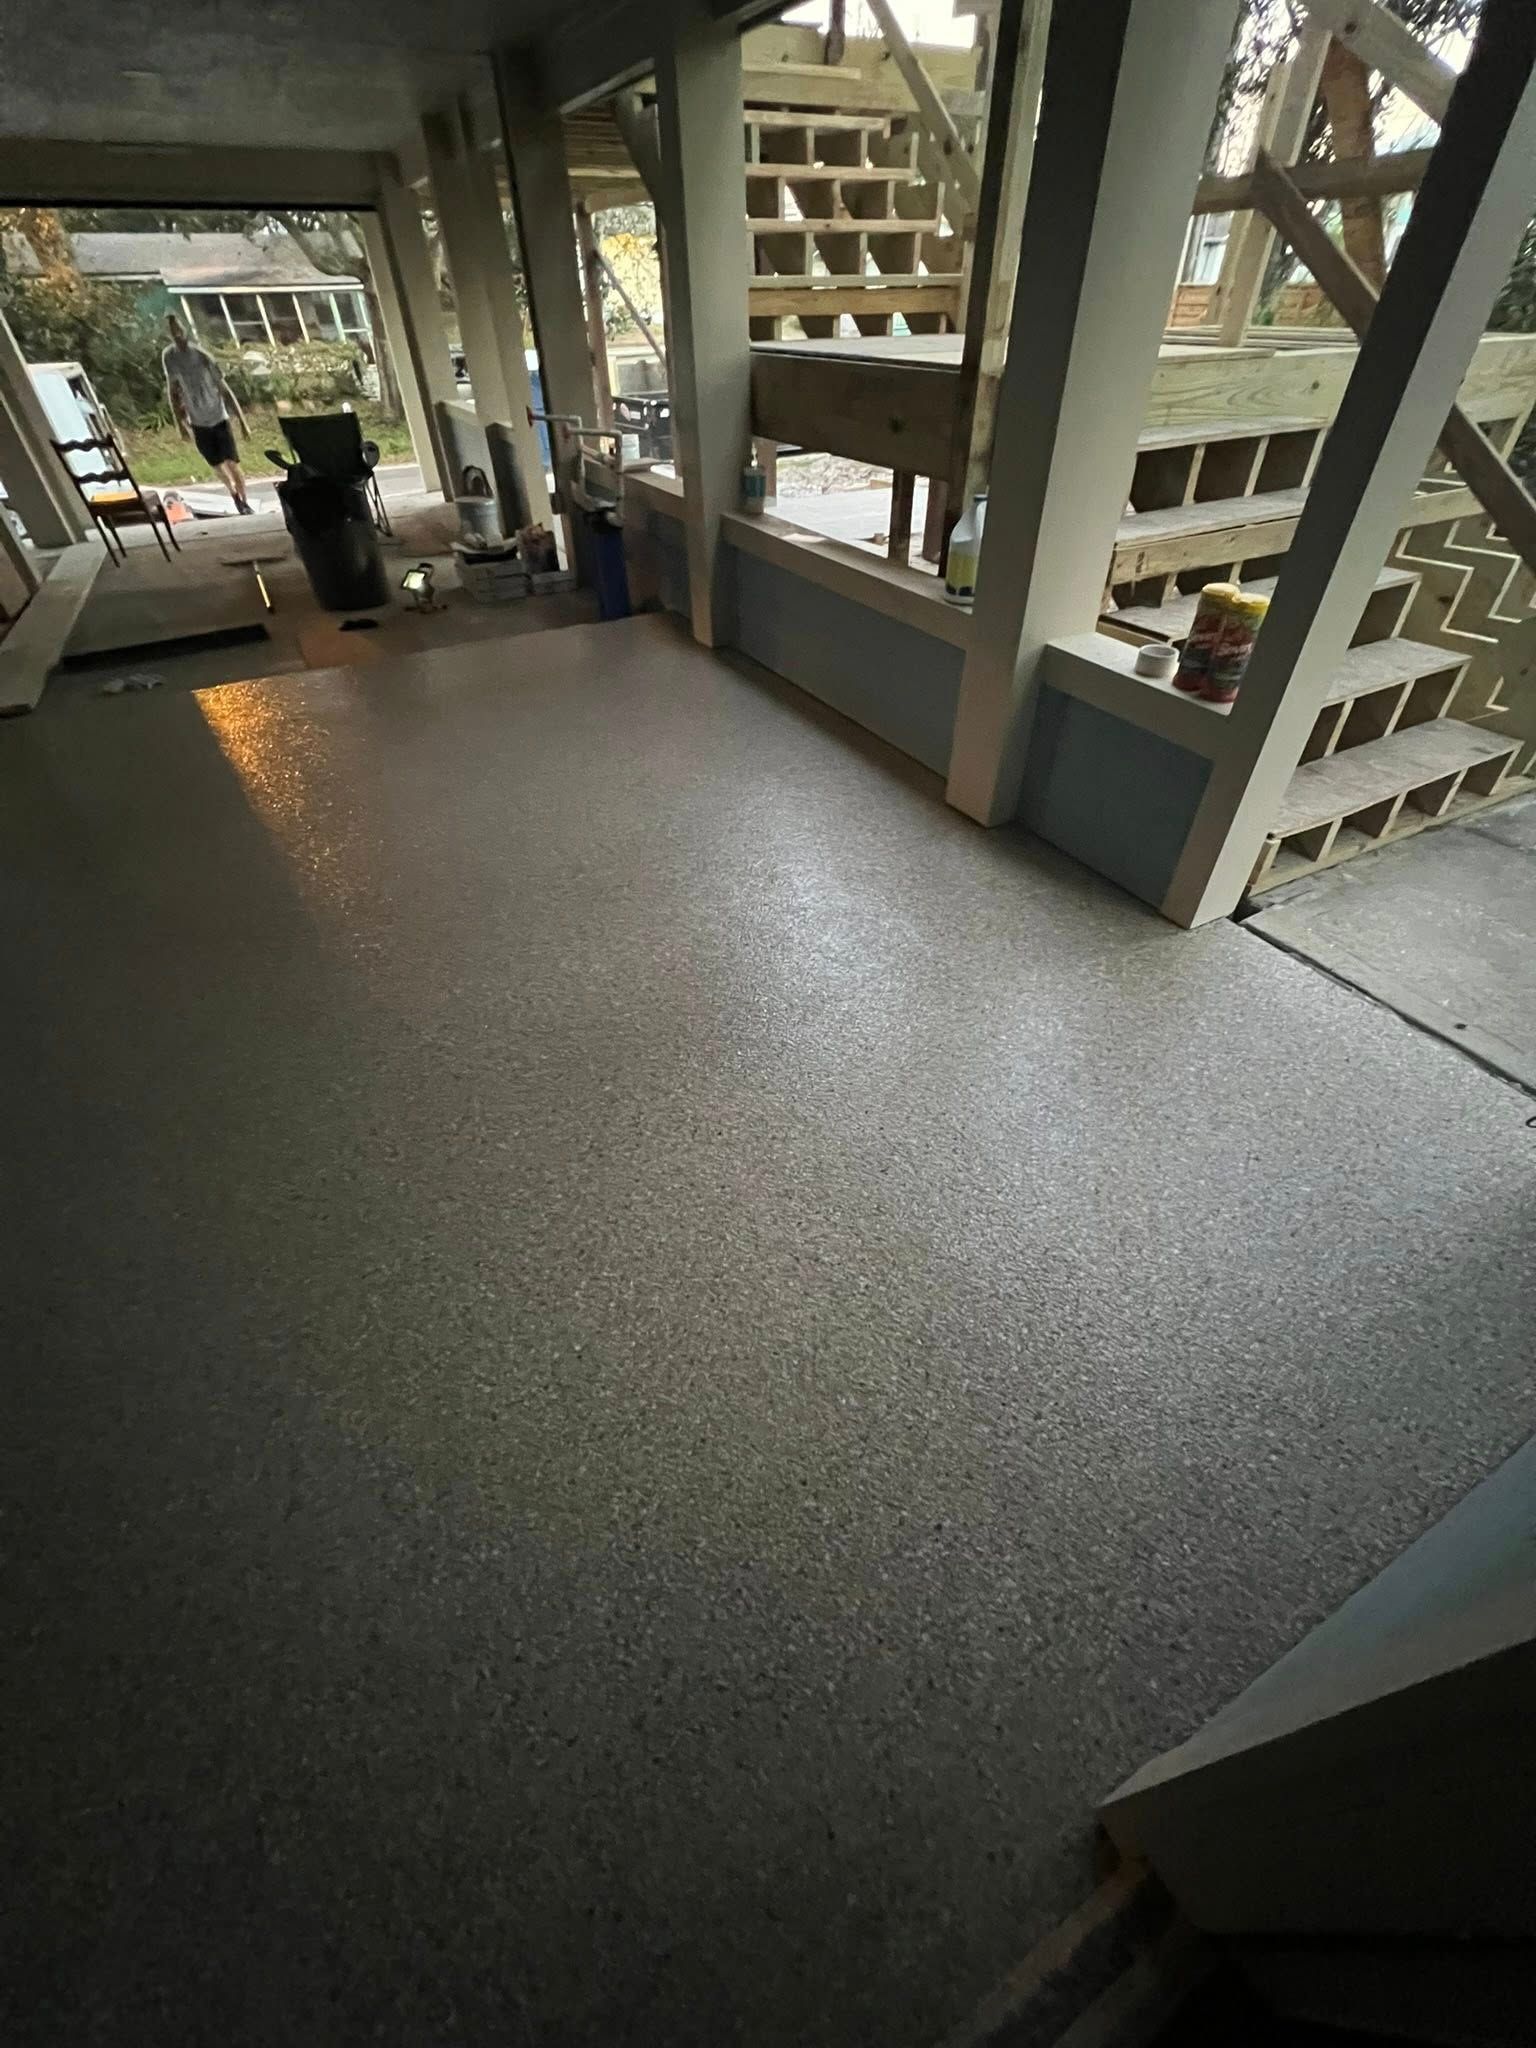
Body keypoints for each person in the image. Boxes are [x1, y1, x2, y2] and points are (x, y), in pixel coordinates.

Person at [161, 314, 253, 514]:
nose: (178, 336)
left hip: (218, 415)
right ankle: (234, 495)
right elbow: (172, 391)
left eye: (180, 331)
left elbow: (225, 389)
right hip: (198, 420)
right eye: (174, 333)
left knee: (232, 462)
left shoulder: (202, 356)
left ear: (185, 331)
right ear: (170, 336)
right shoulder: (169, 357)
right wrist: (180, 424)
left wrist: (243, 423)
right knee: (217, 464)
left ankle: (244, 501)